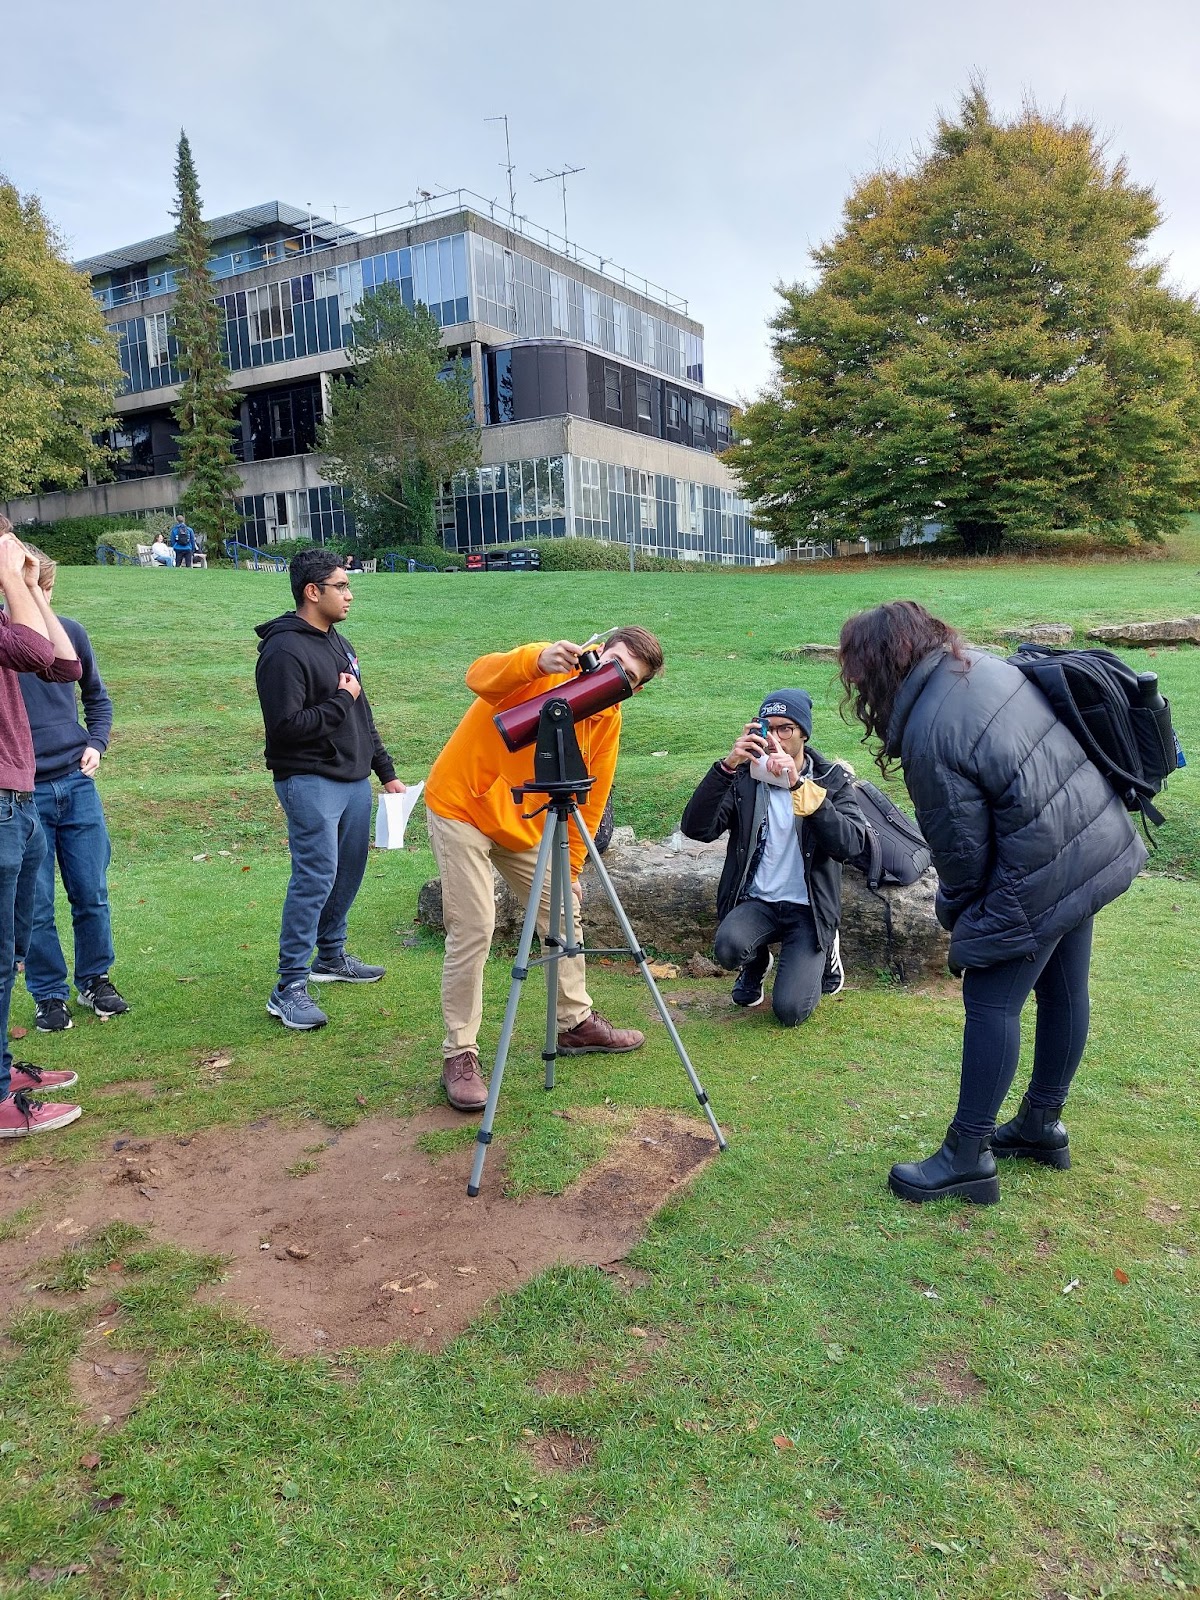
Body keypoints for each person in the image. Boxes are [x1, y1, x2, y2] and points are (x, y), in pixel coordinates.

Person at [838, 600, 1147, 1204]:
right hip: (1087, 836)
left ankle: (967, 1156)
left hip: (1043, 862)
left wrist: (957, 916)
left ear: (879, 667)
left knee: (990, 999)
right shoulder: (977, 666)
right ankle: (1040, 1125)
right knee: (1062, 988)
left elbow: (961, 854)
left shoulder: (929, 728)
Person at [424, 628, 664, 1112]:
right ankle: (460, 1053)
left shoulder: (607, 718)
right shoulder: (547, 669)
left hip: (524, 819)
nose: (615, 679)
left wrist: (571, 866)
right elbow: (478, 674)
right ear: (596, 650)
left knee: (562, 908)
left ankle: (573, 1024)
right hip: (463, 803)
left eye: (629, 679)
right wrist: (537, 659)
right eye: (612, 663)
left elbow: (590, 797)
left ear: (636, 690)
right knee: (473, 927)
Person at [255, 547, 407, 1030]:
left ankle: (331, 956)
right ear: (312, 591)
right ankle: (289, 986)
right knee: (315, 876)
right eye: (340, 586)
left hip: (354, 778)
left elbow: (363, 713)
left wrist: (386, 772)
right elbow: (286, 727)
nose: (349, 594)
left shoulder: (337, 641)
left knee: (349, 870)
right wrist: (343, 697)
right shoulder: (283, 650)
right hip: (308, 779)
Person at [680, 690, 867, 1026]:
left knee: (791, 1011)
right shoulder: (745, 778)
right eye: (767, 728)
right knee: (727, 948)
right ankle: (756, 961)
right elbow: (697, 829)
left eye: (786, 729)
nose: (776, 738)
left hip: (808, 907)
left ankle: (827, 945)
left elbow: (850, 846)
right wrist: (727, 766)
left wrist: (798, 787)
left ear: (803, 734)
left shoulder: (830, 779)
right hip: (760, 902)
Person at [18, 548, 128, 1032]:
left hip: (77, 783)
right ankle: (48, 995)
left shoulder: (71, 634)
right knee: (37, 904)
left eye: (46, 589)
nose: (42, 598)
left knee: (91, 891)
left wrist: (97, 744)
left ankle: (96, 979)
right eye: (30, 589)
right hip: (24, 792)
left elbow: (97, 699)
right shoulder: (7, 643)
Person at [0, 519, 84, 1138]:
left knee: (9, 951)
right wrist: (13, 580)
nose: (17, 551)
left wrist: (30, 586)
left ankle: (1, 1073)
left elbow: (64, 666)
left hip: (16, 796)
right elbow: (34, 654)